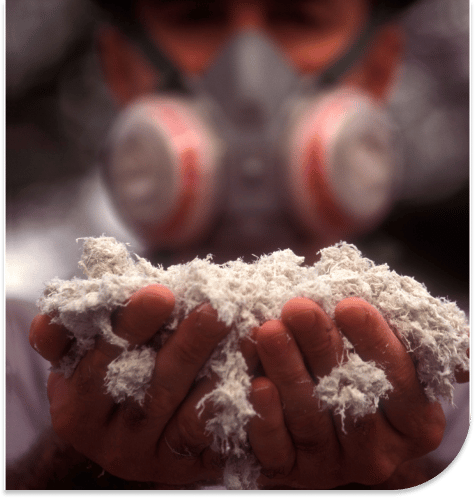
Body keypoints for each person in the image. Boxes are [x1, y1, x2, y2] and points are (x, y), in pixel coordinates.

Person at [4, 0, 470, 491]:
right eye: (196, 17)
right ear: (122, 66)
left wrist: (395, 475)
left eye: (298, 17)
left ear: (377, 66)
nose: (248, 71)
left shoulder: (455, 359)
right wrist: (72, 465)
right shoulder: (24, 349)